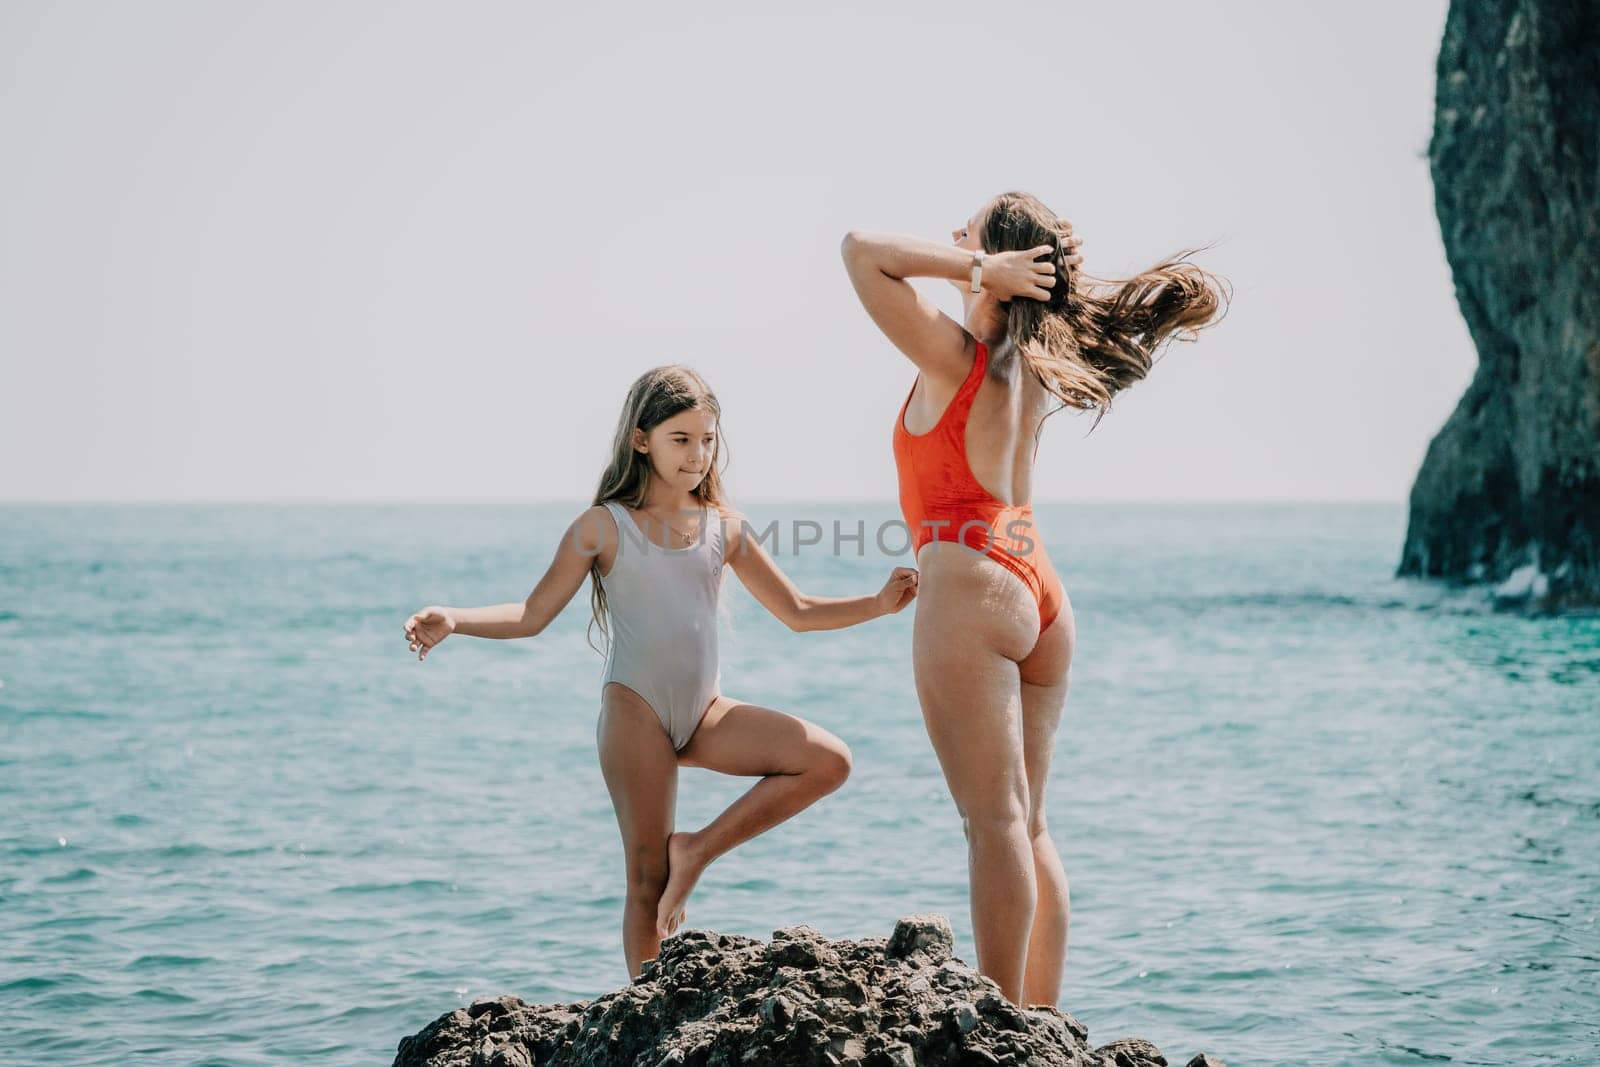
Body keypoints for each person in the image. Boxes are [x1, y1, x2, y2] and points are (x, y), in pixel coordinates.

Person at [403, 365, 919, 978]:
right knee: (646, 879)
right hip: (635, 713)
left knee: (828, 760)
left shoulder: (726, 527)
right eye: (681, 439)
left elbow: (799, 612)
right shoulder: (603, 526)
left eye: (707, 440)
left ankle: (697, 850)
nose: (697, 454)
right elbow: (531, 614)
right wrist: (455, 620)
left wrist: (877, 605)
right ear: (641, 440)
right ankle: (644, 1010)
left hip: (705, 713)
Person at [841, 191, 1226, 1005]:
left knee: (994, 824)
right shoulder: (1032, 365)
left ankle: (997, 1024)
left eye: (968, 233)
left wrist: (980, 270)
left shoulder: (957, 356)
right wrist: (1002, 263)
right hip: (1038, 585)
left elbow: (858, 248)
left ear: (1002, 264)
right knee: (1030, 823)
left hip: (972, 579)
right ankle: (1042, 1025)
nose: (951, 240)